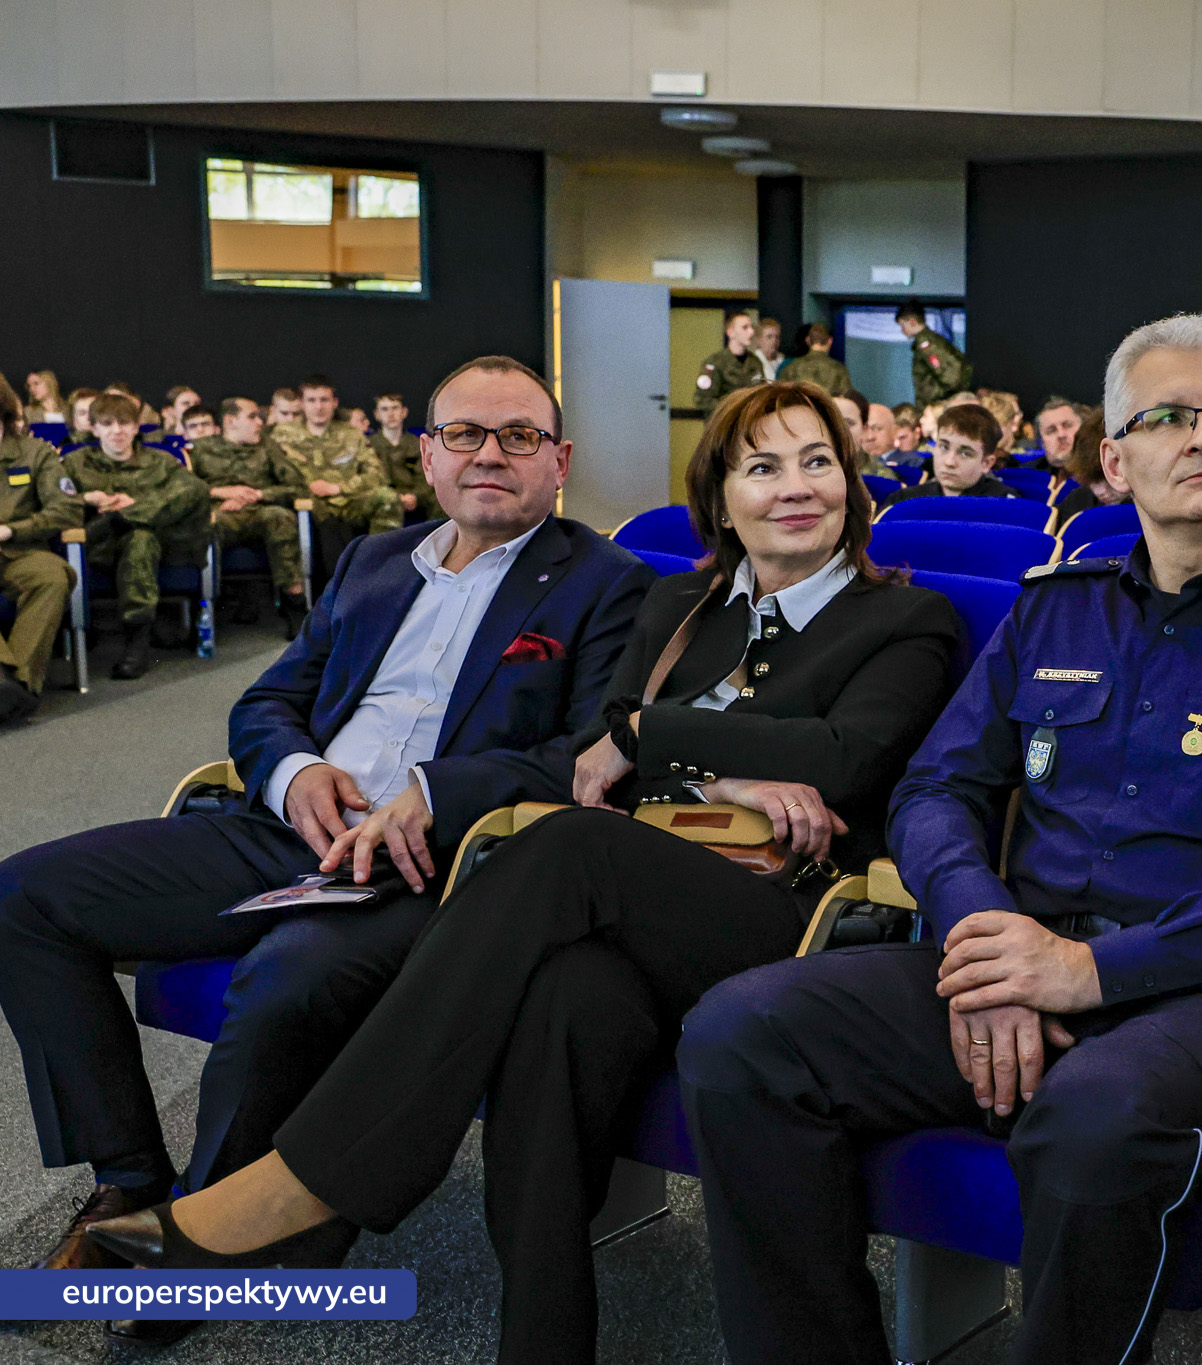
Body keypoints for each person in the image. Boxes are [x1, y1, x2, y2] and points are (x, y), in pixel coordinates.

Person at [85, 380, 962, 1365]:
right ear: (720, 501)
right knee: (561, 1000)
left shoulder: (907, 621)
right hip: (632, 894)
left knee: (562, 847)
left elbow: (844, 761)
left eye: (817, 463)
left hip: (786, 920)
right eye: (762, 467)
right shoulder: (679, 604)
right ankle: (541, 1340)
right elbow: (594, 774)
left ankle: (310, 1179)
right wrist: (732, 777)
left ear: (852, 485)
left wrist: (651, 736)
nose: (794, 487)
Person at [669, 312, 1202, 1365]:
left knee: (1092, 1120)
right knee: (741, 1033)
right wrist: (987, 937)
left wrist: (1088, 971)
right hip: (1013, 946)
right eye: (1165, 416)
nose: (1201, 436)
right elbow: (934, 790)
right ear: (1114, 458)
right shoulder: (1051, 611)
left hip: (1199, 993)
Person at [1, 356, 653, 1332]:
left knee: (287, 982)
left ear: (556, 459)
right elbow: (270, 701)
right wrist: (296, 773)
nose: (490, 454)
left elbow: (591, 755)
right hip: (284, 827)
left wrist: (432, 795)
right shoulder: (374, 561)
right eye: (465, 434)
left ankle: (200, 1242)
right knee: (22, 900)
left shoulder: (612, 585)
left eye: (518, 436)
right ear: (426, 455)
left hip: (432, 863)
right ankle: (130, 1182)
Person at [64, 392, 211, 679]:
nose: (117, 431)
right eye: (107, 424)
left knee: (140, 538)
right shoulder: (74, 462)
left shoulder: (160, 461)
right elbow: (52, 500)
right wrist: (87, 499)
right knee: (138, 537)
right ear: (94, 429)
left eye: (124, 423)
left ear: (136, 427)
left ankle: (137, 643)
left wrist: (133, 508)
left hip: (154, 548)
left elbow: (195, 491)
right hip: (95, 548)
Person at [187, 396, 311, 635]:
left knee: (280, 517)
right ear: (231, 421)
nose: (259, 423)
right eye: (252, 417)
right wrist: (220, 492)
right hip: (221, 513)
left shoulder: (268, 447)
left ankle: (294, 603)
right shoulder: (201, 449)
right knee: (205, 525)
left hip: (259, 511)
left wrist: (258, 494)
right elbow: (185, 489)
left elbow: (298, 487)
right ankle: (206, 608)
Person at [0, 374, 81, 723]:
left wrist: (12, 529)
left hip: (18, 550)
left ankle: (16, 686)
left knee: (53, 575)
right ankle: (5, 686)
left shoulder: (34, 452)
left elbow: (67, 509)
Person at [272, 375, 402, 586]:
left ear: (335, 403)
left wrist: (339, 488)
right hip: (307, 506)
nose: (318, 407)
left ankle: (380, 575)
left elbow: (377, 475)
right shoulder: (282, 435)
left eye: (324, 400)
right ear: (302, 404)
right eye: (312, 400)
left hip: (349, 501)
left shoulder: (351, 434)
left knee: (387, 497)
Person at [881, 404, 1023, 506]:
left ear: (986, 463)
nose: (949, 462)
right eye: (944, 447)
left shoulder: (1006, 505)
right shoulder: (904, 502)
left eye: (965, 453)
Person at [369, 393, 439, 520]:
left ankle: (441, 539)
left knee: (440, 499)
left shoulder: (417, 443)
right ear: (377, 415)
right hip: (384, 496)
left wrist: (415, 496)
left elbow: (425, 475)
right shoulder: (368, 445)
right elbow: (371, 479)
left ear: (404, 412)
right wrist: (396, 497)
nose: (390, 414)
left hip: (417, 497)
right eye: (385, 409)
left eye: (395, 408)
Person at [898, 303, 973, 409]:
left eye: (902, 325)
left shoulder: (926, 344)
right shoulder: (933, 340)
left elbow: (951, 378)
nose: (902, 331)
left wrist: (938, 399)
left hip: (935, 406)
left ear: (912, 322)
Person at [697, 311, 767, 411]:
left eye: (751, 327)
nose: (751, 332)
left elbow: (762, 393)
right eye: (745, 328)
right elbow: (703, 400)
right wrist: (732, 407)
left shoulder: (755, 362)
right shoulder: (715, 363)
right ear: (731, 332)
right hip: (724, 421)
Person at [778, 323, 852, 397]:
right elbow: (845, 397)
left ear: (807, 340)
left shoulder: (791, 368)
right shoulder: (839, 370)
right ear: (830, 341)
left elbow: (781, 395)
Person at [1034, 396, 1082, 472]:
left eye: (1067, 425)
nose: (1061, 434)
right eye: (1051, 431)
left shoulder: (1101, 477)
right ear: (1040, 441)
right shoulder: (1028, 477)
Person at [863, 400, 900, 466]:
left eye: (877, 428)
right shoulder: (851, 466)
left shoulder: (913, 463)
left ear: (895, 431)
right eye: (864, 429)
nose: (869, 437)